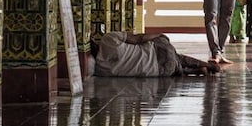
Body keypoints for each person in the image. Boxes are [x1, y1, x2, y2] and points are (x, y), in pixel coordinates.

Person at [92, 30, 221, 77]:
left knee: (176, 67)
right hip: (158, 52)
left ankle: (194, 72)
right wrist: (160, 35)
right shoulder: (108, 39)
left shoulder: (99, 70)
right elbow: (139, 39)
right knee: (178, 57)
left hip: (159, 71)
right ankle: (206, 65)